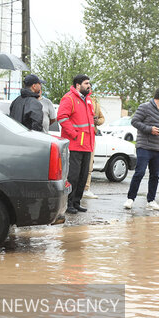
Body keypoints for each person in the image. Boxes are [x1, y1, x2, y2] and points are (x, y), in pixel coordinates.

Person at [124, 87, 159, 211]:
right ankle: (130, 199)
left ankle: (151, 200)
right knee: (139, 172)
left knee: (155, 175)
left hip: (158, 148)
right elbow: (134, 121)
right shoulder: (144, 107)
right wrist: (149, 129)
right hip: (144, 146)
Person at [57, 74, 96, 214]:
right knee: (73, 176)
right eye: (86, 83)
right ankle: (69, 203)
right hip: (75, 144)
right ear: (78, 85)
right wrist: (74, 134)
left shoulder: (88, 100)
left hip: (87, 144)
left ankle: (76, 202)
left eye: (89, 83)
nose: (89, 85)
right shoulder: (69, 98)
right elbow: (61, 117)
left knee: (83, 176)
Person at [83, 95, 105, 199]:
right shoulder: (79, 101)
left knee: (89, 165)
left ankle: (86, 188)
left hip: (91, 136)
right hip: (81, 137)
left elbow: (102, 118)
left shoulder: (95, 103)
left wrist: (97, 121)